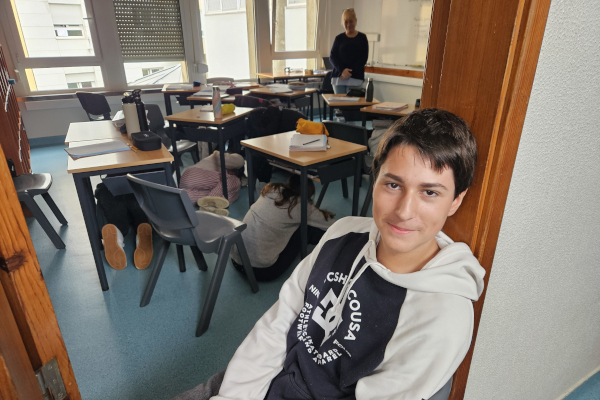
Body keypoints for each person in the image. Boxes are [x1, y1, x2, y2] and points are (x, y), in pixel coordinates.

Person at [173, 108, 485, 400]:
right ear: (375, 179)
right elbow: (279, 324)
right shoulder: (342, 232)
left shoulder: (444, 318)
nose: (404, 211)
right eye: (393, 185)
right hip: (260, 375)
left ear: (456, 201)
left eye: (429, 192)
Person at [230, 174, 335, 282]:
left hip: (236, 260)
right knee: (308, 229)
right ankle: (335, 253)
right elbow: (331, 224)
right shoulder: (300, 206)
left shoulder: (270, 190)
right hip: (262, 272)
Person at [329, 8, 369, 95]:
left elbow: (363, 58)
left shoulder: (362, 38)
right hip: (339, 77)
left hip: (355, 78)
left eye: (351, 21)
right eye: (346, 22)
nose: (348, 24)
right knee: (339, 103)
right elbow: (332, 57)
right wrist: (342, 70)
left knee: (352, 103)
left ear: (355, 21)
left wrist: (349, 72)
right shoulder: (338, 38)